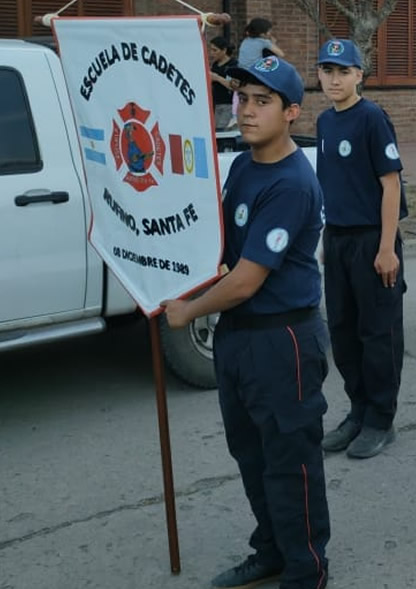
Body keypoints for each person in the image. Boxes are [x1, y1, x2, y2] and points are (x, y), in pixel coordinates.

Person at [162, 56, 330, 589]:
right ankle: (273, 550)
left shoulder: (290, 182)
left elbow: (247, 280)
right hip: (239, 337)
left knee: (289, 460)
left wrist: (187, 310)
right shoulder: (244, 167)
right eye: (242, 98)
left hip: (281, 340)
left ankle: (307, 569)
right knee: (252, 455)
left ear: (292, 113)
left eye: (263, 101)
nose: (248, 110)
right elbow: (226, 254)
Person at [313, 39, 406, 459]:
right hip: (338, 239)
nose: (334, 79)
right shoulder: (325, 122)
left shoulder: (371, 118)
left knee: (378, 333)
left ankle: (380, 419)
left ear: (358, 76)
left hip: (372, 239)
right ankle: (358, 409)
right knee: (344, 332)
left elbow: (391, 184)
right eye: (327, 71)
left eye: (343, 71)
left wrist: (387, 248)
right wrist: (325, 240)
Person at [208, 36, 236, 129]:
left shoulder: (232, 65)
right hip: (217, 104)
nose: (211, 53)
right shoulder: (216, 64)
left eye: (215, 50)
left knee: (222, 131)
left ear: (224, 50)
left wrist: (217, 78)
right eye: (211, 50)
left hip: (228, 104)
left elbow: (233, 86)